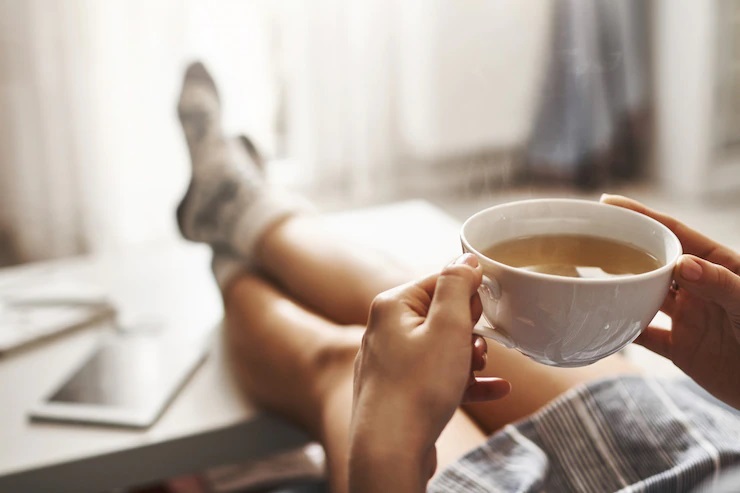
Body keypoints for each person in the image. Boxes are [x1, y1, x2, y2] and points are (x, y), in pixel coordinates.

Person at [175, 62, 740, 492]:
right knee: (421, 303)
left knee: (344, 365)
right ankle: (239, 208)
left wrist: (388, 455)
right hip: (710, 454)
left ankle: (232, 255)